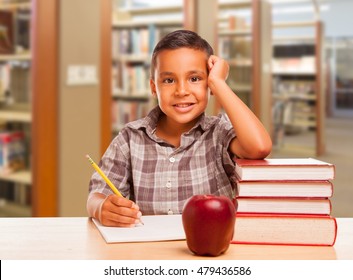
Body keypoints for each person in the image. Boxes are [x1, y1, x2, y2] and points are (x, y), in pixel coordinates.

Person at [87, 30, 272, 227]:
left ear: (209, 84)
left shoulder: (219, 133)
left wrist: (219, 83)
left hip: (210, 252)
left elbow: (259, 147)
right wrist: (101, 207)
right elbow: (96, 195)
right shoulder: (130, 138)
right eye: (168, 80)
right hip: (149, 251)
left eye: (194, 79)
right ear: (153, 87)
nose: (181, 91)